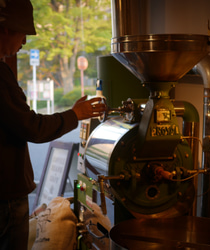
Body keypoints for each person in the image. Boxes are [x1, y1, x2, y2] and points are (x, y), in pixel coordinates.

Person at [0, 0, 106, 249]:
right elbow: (32, 127)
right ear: (6, 29)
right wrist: (75, 114)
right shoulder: (1, 75)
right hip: (5, 198)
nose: (24, 42)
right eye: (23, 34)